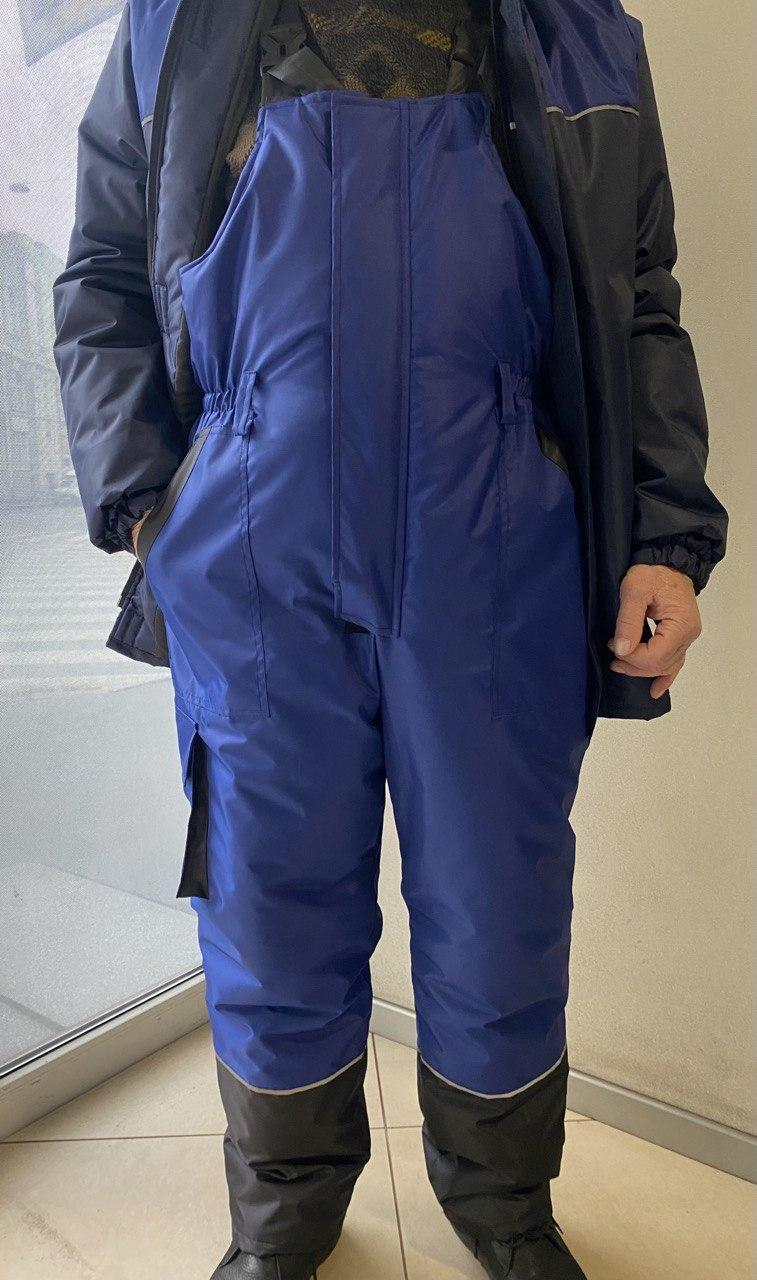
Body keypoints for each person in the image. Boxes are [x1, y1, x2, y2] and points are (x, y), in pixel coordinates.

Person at [53, 2, 728, 1277]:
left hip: (496, 549)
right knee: (267, 901)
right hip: (251, 550)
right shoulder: (171, 27)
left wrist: (665, 534)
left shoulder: (584, 37)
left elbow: (638, 301)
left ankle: (504, 1207)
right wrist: (149, 506)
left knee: (498, 904)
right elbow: (100, 275)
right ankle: (283, 1216)